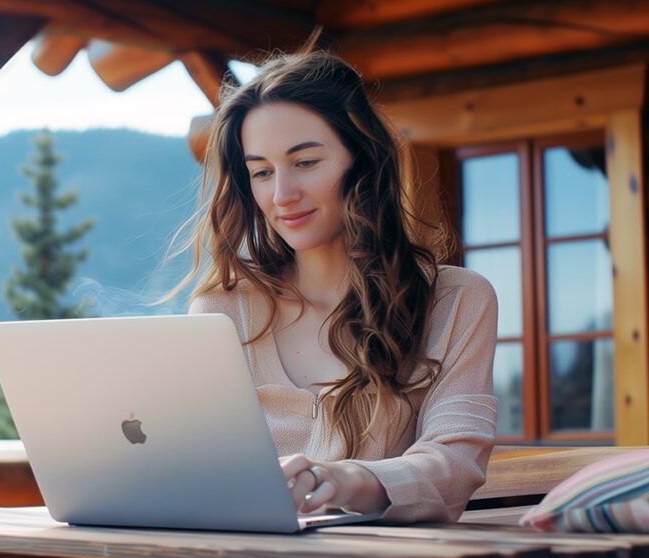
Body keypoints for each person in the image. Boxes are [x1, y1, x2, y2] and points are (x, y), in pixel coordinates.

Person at [164, 49, 499, 529]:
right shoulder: (222, 309)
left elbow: (453, 465)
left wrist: (341, 481)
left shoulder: (457, 300)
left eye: (305, 162)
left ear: (361, 161)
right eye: (261, 172)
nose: (282, 195)